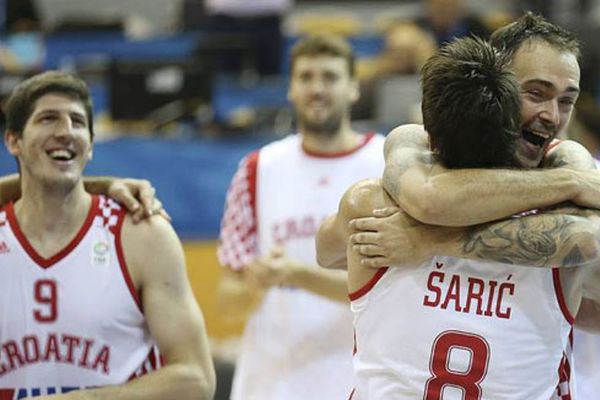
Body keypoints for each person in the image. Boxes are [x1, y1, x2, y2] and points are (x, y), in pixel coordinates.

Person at [320, 12, 600, 399]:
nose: (552, 116)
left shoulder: (570, 169)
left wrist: (430, 242)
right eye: (536, 93)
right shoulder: (570, 194)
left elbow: (587, 240)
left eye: (566, 101)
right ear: (496, 84)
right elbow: (429, 198)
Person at [0, 70, 215, 399]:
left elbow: (196, 379)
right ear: (13, 140)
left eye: (77, 121)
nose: (65, 131)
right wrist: (99, 182)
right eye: (48, 119)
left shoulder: (142, 234)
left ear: (90, 147)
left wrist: (85, 399)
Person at [217, 33, 385, 399]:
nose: (317, 88)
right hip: (271, 381)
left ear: (354, 88)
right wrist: (255, 281)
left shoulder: (385, 163)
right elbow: (226, 298)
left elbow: (390, 290)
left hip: (358, 380)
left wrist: (295, 274)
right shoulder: (258, 168)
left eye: (330, 77)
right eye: (306, 77)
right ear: (290, 88)